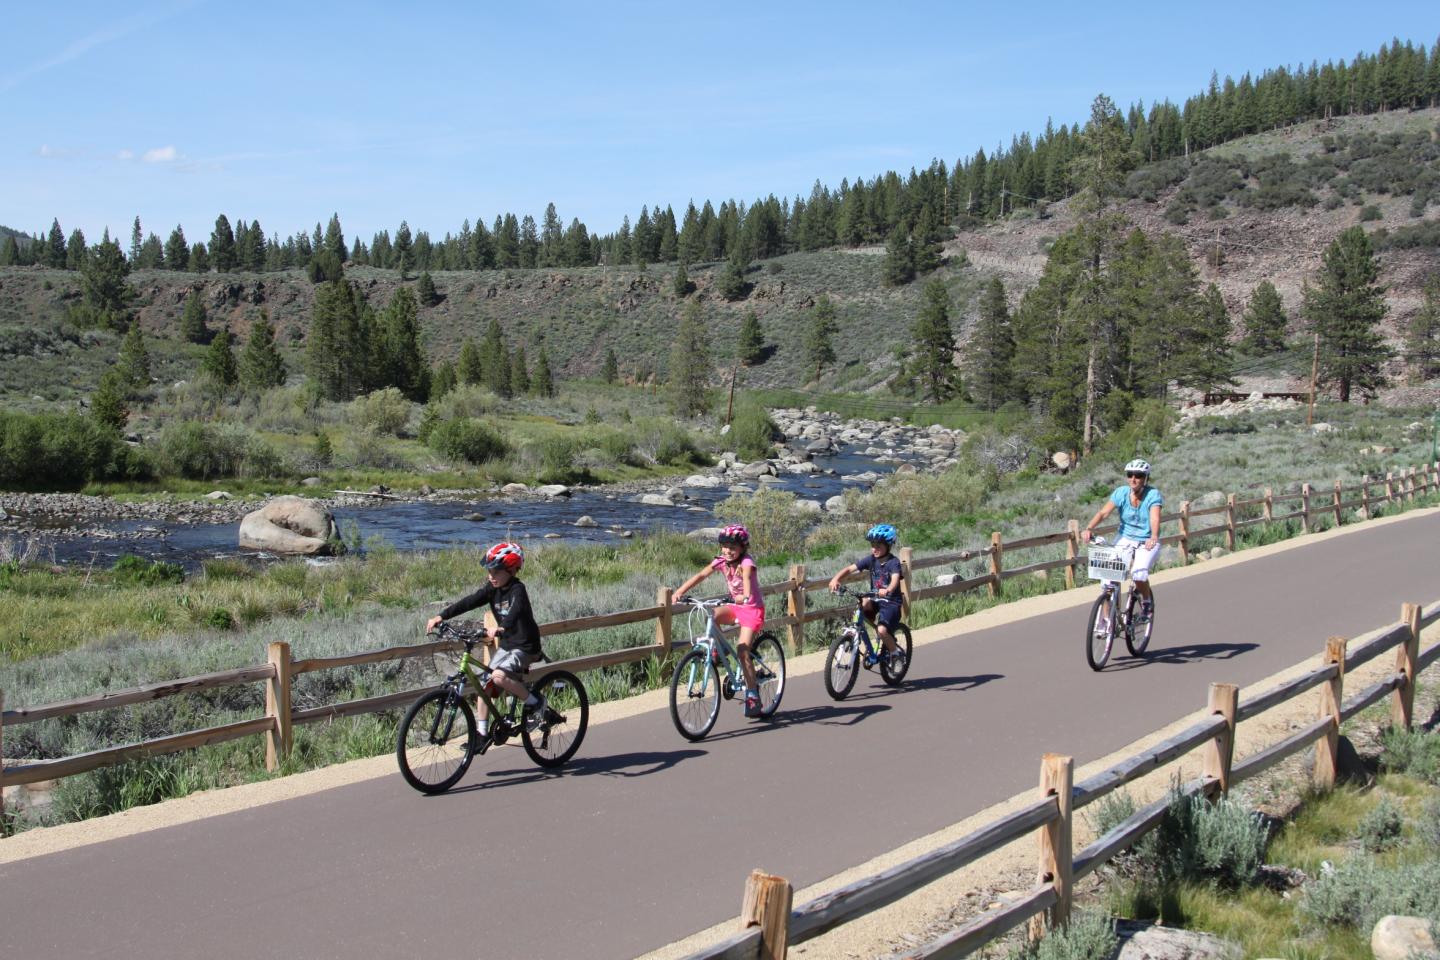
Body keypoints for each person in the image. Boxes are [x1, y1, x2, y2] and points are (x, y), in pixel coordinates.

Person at [426, 541, 546, 735]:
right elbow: (470, 601)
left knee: (498, 677)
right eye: (489, 571)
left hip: (525, 646)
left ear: (512, 569)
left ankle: (536, 702)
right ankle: (481, 735)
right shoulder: (492, 589)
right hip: (507, 645)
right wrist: (442, 616)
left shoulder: (518, 589)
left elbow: (515, 611)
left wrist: (501, 627)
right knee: (484, 685)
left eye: (496, 571)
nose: (491, 576)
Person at [673, 524, 766, 718]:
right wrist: (680, 591)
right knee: (712, 615)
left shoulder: (747, 563)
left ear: (742, 548)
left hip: (751, 609)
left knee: (742, 651)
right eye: (724, 546)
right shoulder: (722, 561)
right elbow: (701, 575)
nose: (728, 551)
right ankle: (720, 649)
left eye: (732, 548)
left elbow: (747, 579)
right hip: (735, 606)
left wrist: (745, 596)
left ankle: (752, 694)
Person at [1080, 458, 1162, 622]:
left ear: (1145, 478)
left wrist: (1153, 536)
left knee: (1138, 574)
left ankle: (1146, 602)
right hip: (1125, 538)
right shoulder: (1121, 493)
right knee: (1108, 579)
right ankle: (1106, 621)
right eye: (1130, 474)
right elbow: (1104, 513)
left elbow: (1154, 518)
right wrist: (1089, 528)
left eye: (1138, 475)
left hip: (1146, 540)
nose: (1133, 479)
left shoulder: (1153, 495)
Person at [828, 524, 904, 667]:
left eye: (878, 545)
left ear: (888, 545)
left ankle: (895, 653)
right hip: (876, 599)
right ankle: (857, 632)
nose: (874, 549)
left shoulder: (894, 563)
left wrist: (887, 589)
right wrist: (836, 578)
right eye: (872, 545)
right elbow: (850, 569)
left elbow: (895, 580)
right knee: (863, 602)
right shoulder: (871, 560)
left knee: (882, 630)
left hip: (891, 602)